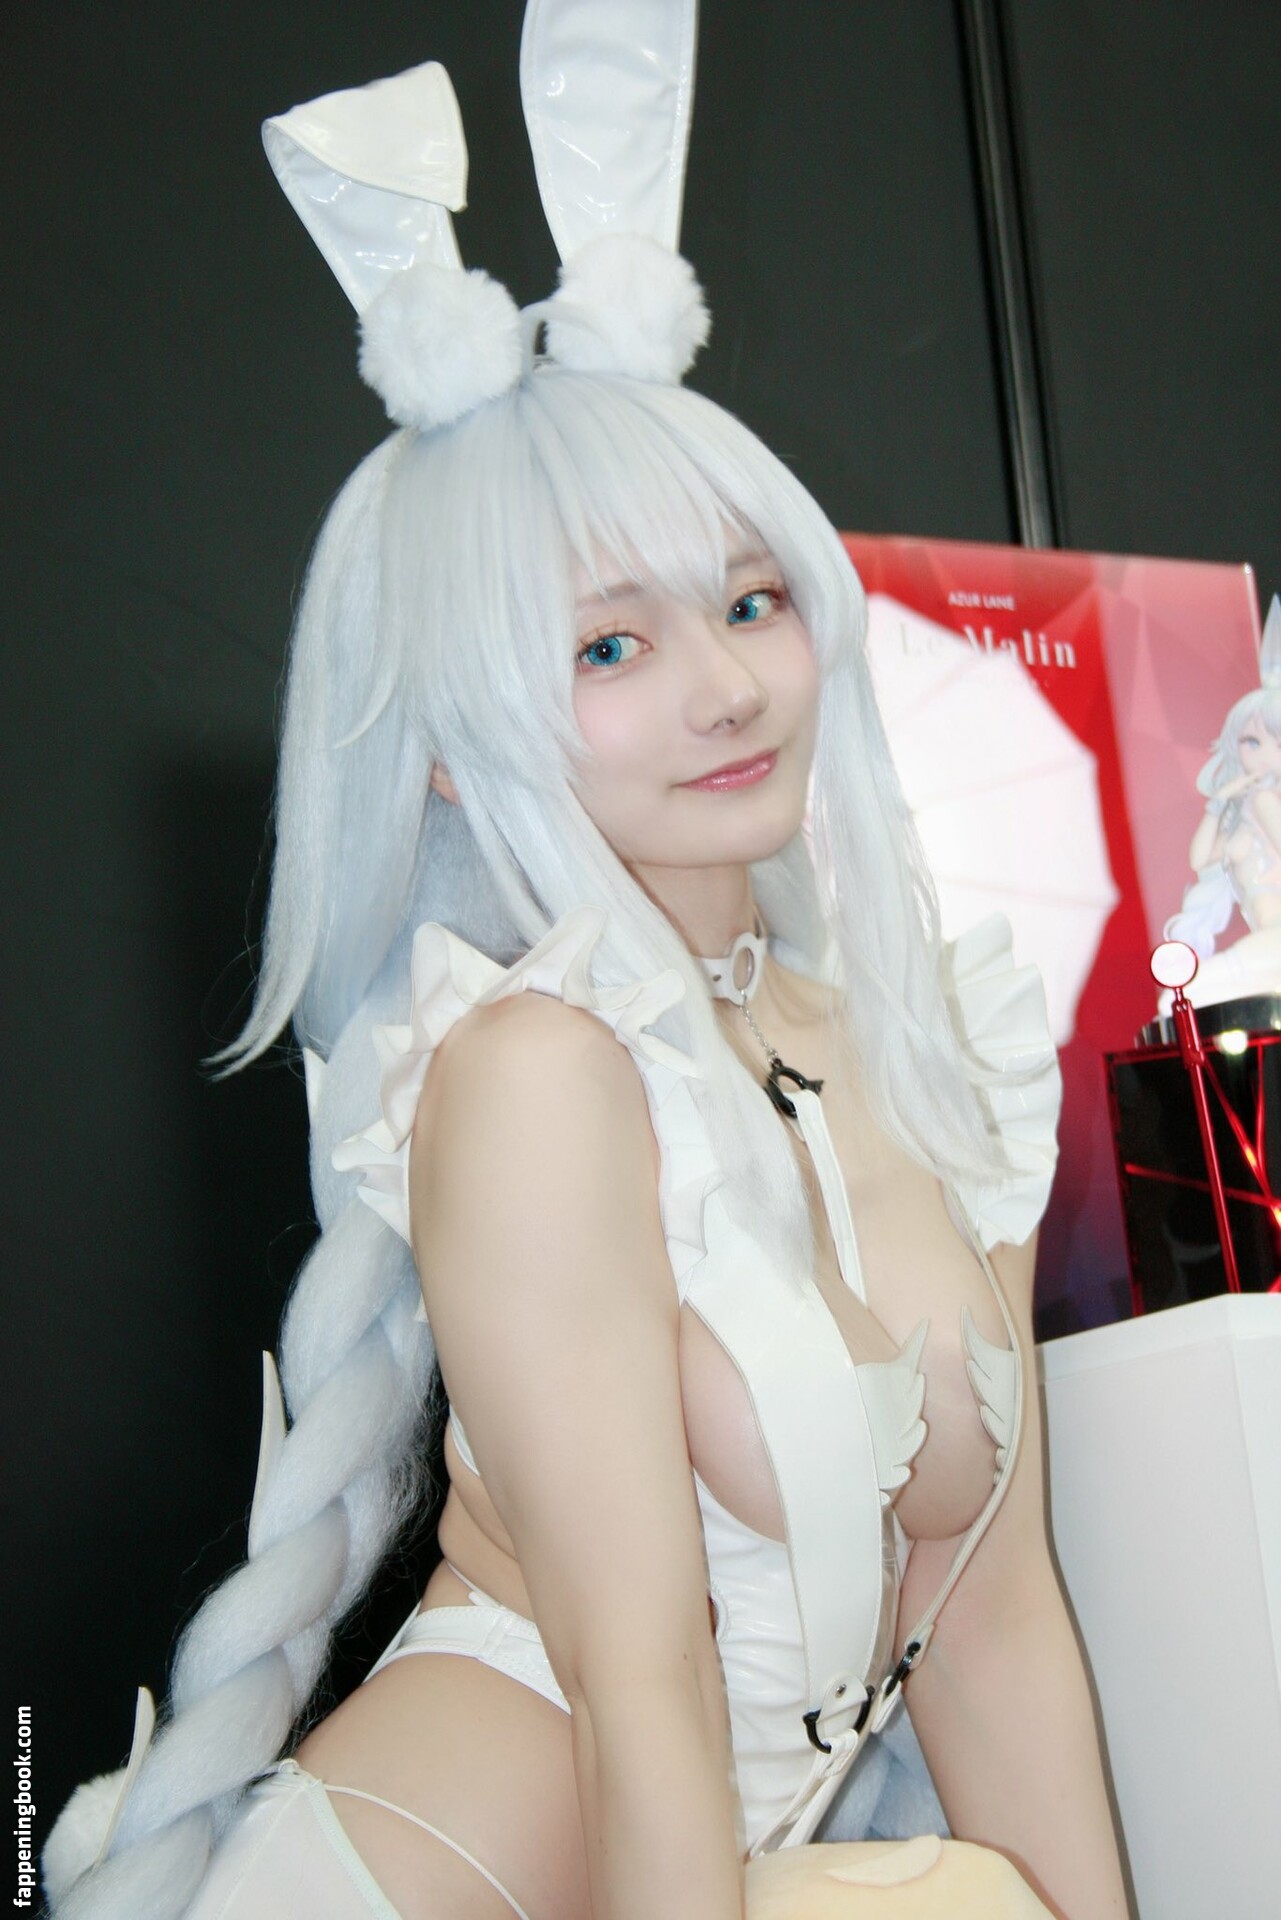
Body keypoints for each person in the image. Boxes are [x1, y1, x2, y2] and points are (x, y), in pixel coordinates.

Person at [43, 30, 1130, 1920]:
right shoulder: (534, 1072)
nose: (724, 687)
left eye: (749, 601)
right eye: (607, 647)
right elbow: (642, 1688)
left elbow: (997, 1623)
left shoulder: (926, 1036)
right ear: (452, 747)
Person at [1163, 656, 1281, 1009]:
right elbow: (1199, 859)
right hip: (1269, 942)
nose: (1263, 755)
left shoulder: (1264, 800)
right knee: (1182, 1000)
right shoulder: (1245, 813)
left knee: (1181, 999)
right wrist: (1218, 802)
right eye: (1252, 742)